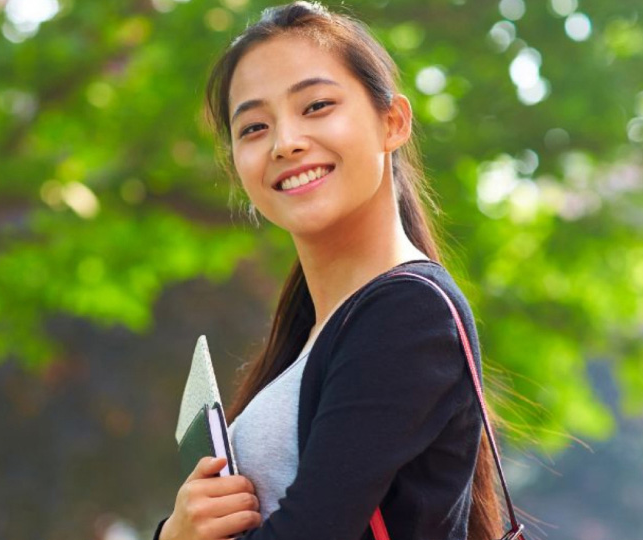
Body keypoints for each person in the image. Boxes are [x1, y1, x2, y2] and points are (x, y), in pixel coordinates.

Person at [154, 3, 511, 540]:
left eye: (316, 105)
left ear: (393, 122)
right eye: (253, 127)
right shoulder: (313, 327)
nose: (285, 142)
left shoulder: (406, 314)